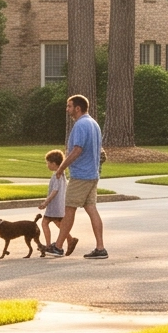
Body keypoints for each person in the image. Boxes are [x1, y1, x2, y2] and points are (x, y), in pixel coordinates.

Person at [63, 94, 107, 258]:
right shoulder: (94, 123)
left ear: (77, 108)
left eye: (69, 106)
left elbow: (77, 150)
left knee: (69, 209)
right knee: (91, 209)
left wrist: (62, 167)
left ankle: (58, 246)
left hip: (81, 175)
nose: (67, 109)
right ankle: (100, 248)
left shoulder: (81, 125)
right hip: (92, 174)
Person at [37, 150, 71, 254]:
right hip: (60, 204)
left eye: (48, 163)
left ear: (53, 163)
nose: (47, 165)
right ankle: (71, 239)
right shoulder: (62, 174)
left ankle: (48, 246)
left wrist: (45, 202)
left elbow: (55, 191)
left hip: (54, 205)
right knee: (59, 223)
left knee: (44, 223)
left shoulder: (57, 175)